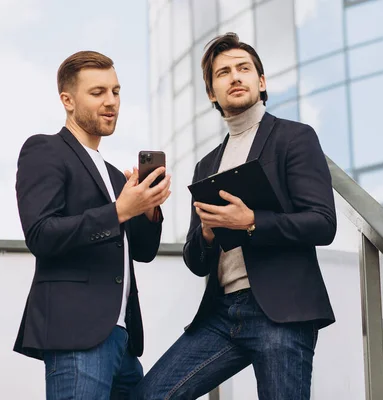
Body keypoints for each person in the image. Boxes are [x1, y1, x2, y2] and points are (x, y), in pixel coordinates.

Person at [135, 32, 336, 400]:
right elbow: (196, 261)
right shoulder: (206, 164)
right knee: (149, 395)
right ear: (212, 93)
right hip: (222, 313)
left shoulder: (294, 138)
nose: (235, 76)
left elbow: (323, 223)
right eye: (223, 72)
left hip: (281, 313)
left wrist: (252, 221)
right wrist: (209, 234)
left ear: (261, 82)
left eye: (244, 68)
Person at [14, 50, 171, 399]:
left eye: (115, 91)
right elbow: (41, 234)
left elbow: (143, 253)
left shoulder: (114, 174)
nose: (111, 101)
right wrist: (118, 210)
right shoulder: (45, 150)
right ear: (67, 100)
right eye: (97, 92)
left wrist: (147, 211)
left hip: (124, 343)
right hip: (77, 334)